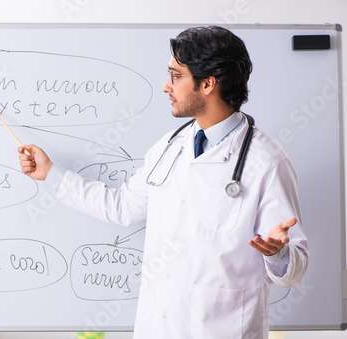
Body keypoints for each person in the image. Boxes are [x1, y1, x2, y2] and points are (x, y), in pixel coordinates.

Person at [18, 26, 308, 339]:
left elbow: (294, 271)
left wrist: (277, 253)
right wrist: (51, 173)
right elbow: (122, 207)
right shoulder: (169, 147)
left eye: (175, 76)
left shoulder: (265, 162)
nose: (165, 87)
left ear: (208, 83)